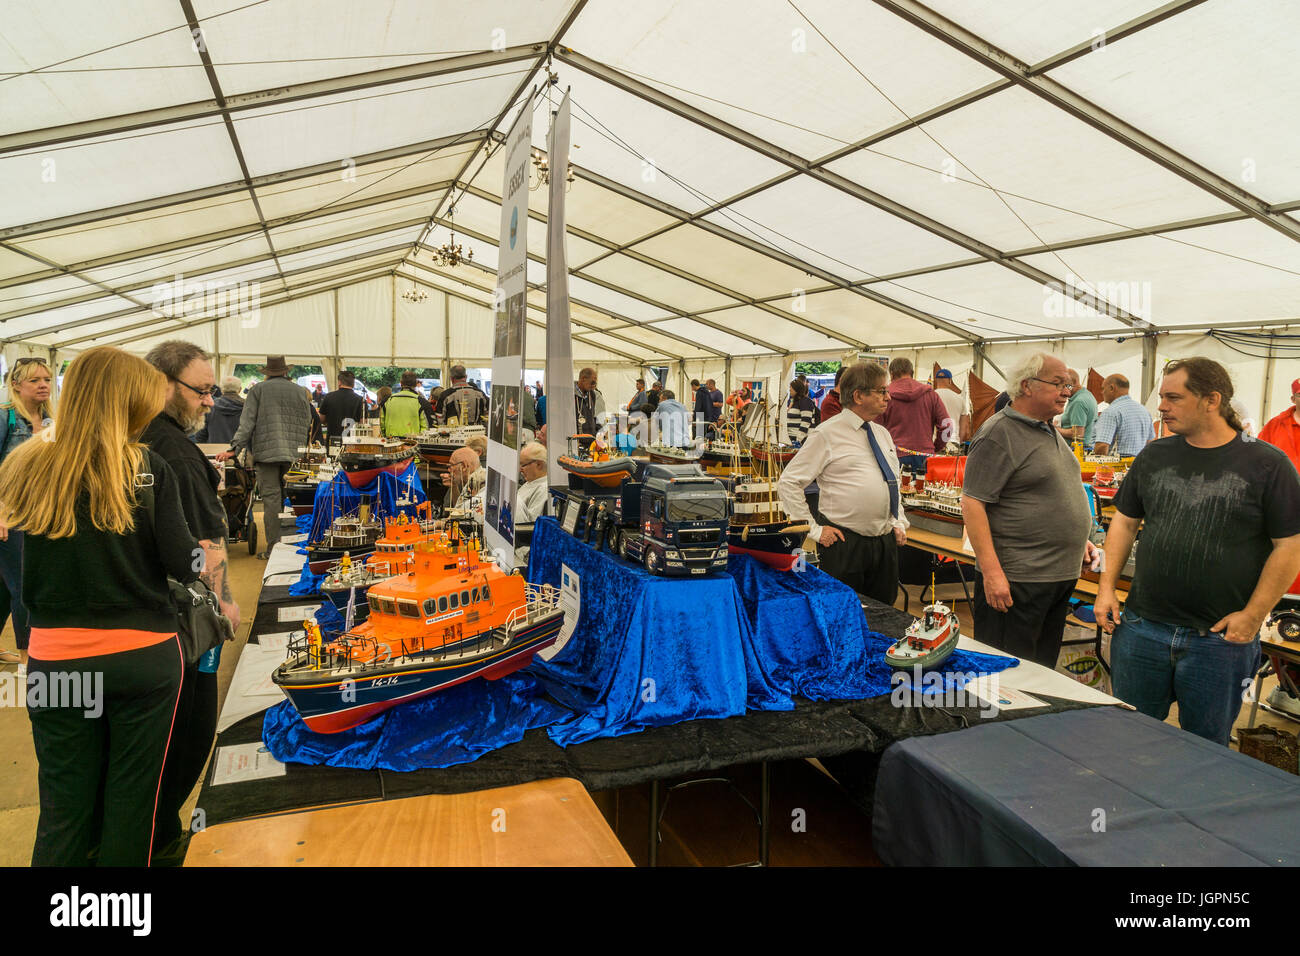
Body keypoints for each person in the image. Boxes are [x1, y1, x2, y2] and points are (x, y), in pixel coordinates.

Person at [0, 346, 200, 866]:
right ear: (127, 401)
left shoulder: (27, 462)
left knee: (64, 808)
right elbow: (184, 562)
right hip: (142, 658)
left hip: (56, 658)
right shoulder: (147, 466)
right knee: (132, 806)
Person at [1094, 358, 1300, 746]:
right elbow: (1123, 521)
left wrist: (1253, 616)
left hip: (1219, 641)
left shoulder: (1268, 464)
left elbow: (1290, 546)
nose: (1161, 406)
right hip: (1141, 628)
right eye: (1162, 397)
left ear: (1212, 400)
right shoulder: (1155, 455)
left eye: (1174, 397)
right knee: (1127, 738)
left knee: (1206, 750)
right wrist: (1107, 587)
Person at [141, 341, 241, 863]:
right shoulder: (173, 450)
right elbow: (206, 543)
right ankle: (159, 842)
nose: (209, 402)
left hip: (145, 621)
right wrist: (223, 606)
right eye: (202, 391)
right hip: (185, 625)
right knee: (189, 735)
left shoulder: (141, 440)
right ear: (163, 384)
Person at [960, 353, 1098, 668]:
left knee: (1041, 671)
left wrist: (1081, 540)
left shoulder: (1047, 429)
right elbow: (973, 502)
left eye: (1069, 385)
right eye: (1059, 383)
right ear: (1027, 386)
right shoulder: (999, 433)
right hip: (1018, 582)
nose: (1067, 391)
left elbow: (1049, 492)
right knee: (1008, 676)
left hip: (1055, 578)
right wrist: (993, 573)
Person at [777, 362, 907, 603]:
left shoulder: (883, 434)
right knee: (841, 614)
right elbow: (789, 482)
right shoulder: (826, 433)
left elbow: (892, 482)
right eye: (881, 391)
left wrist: (898, 520)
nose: (888, 397)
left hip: (884, 544)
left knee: (885, 614)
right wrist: (814, 530)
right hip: (845, 544)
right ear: (858, 395)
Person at [217, 356, 315, 559]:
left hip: (266, 454)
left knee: (271, 500)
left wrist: (234, 449)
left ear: (267, 372)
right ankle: (295, 546)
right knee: (294, 499)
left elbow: (247, 423)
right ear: (286, 371)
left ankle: (273, 550)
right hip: (294, 454)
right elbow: (308, 422)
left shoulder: (257, 390)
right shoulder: (299, 391)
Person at [0, 357, 55, 670]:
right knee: (24, 584)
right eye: (34, 380)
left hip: (41, 516)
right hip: (10, 517)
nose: (44, 385)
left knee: (4, 586)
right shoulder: (5, 418)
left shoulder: (50, 422)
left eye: (46, 379)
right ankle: (27, 658)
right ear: (16, 385)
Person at [878, 357, 950, 475]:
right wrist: (936, 447)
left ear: (891, 374)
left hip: (894, 456)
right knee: (924, 492)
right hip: (925, 456)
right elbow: (948, 425)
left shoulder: (884, 395)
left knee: (899, 493)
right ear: (912, 373)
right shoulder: (930, 394)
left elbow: (876, 427)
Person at [1093, 373, 1154, 456]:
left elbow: (1102, 446)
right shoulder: (1144, 411)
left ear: (1111, 388)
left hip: (1118, 466)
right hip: (1140, 464)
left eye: (1103, 388)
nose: (1102, 392)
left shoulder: (1111, 412)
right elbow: (1150, 443)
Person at [380, 371, 436, 437]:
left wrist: (385, 437)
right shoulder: (422, 402)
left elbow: (382, 425)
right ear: (415, 384)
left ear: (401, 383)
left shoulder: (387, 400)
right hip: (413, 443)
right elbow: (428, 427)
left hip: (390, 442)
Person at [1259, 378, 1300, 466]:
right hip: (1284, 479)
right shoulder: (1275, 424)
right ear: (1293, 399)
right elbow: (1258, 452)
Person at [319, 370, 365, 445]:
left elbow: (322, 419)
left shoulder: (328, 397)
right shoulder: (361, 400)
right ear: (353, 384)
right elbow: (363, 423)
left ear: (339, 382)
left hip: (332, 441)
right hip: (352, 442)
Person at [194, 376, 244, 445]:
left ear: (221, 389)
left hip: (215, 453)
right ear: (240, 389)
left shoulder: (209, 407)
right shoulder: (249, 407)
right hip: (241, 452)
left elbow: (200, 436)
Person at [1056, 368, 1096, 448]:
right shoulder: (1087, 395)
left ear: (1074, 383)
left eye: (1066, 386)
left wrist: (1055, 429)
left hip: (1076, 451)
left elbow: (1078, 434)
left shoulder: (1078, 402)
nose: (1064, 390)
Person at [442, 446, 486, 513]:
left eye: (451, 465)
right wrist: (454, 486)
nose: (449, 469)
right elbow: (459, 509)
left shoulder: (475, 483)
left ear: (464, 466)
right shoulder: (477, 477)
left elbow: (460, 516)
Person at [931, 369, 969, 443]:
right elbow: (963, 426)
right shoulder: (960, 399)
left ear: (936, 380)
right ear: (950, 380)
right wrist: (959, 441)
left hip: (935, 442)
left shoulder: (930, 396)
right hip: (953, 441)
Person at [785, 379, 818, 446]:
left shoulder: (805, 402)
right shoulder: (794, 402)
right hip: (792, 439)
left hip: (802, 441)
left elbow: (806, 422)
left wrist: (798, 440)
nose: (789, 389)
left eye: (791, 387)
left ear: (796, 389)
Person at [575, 367, 605, 436]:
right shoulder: (571, 395)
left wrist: (599, 430)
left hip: (590, 439)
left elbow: (593, 417)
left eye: (595, 383)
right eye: (592, 383)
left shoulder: (592, 394)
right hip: (577, 439)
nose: (594, 386)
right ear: (583, 379)